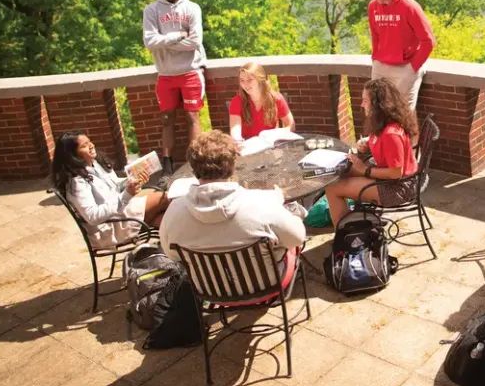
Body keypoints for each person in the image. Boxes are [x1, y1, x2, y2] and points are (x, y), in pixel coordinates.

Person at [159, 131, 306, 281]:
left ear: (192, 168)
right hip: (264, 285)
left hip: (209, 288)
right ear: (233, 164)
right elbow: (297, 237)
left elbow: (171, 254)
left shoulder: (174, 211)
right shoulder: (261, 202)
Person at [324, 77, 418, 226]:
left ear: (378, 105)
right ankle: (350, 223)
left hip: (398, 188)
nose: (362, 105)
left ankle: (344, 237)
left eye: (365, 101)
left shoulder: (391, 134)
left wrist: (365, 170)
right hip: (390, 180)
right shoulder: (385, 122)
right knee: (339, 173)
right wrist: (368, 142)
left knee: (332, 188)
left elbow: (395, 173)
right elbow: (384, 144)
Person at [51, 131, 169, 249]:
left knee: (165, 216)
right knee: (165, 198)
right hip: (109, 228)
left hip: (120, 214)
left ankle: (173, 251)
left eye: (89, 141)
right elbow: (93, 217)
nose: (91, 146)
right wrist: (127, 194)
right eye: (84, 146)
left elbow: (114, 187)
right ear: (73, 155)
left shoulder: (96, 163)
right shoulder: (77, 182)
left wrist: (131, 181)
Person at [143, 0, 206, 181]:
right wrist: (178, 36)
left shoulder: (192, 8)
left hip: (189, 71)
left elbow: (195, 41)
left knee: (192, 117)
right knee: (167, 119)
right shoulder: (151, 10)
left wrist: (165, 42)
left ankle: (194, 162)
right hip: (166, 74)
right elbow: (149, 41)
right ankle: (168, 164)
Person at [364, 0, 436, 110]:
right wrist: (376, 58)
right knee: (376, 110)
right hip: (381, 66)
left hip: (405, 67)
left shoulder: (409, 6)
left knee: (402, 113)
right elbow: (375, 34)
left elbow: (428, 41)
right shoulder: (373, 7)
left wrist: (412, 67)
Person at [228, 62, 296, 141]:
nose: (245, 84)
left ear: (260, 79)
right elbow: (235, 130)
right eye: (242, 80)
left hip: (271, 146)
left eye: (250, 80)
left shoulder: (276, 98)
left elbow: (291, 125)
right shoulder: (237, 101)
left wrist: (276, 133)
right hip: (247, 146)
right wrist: (238, 140)